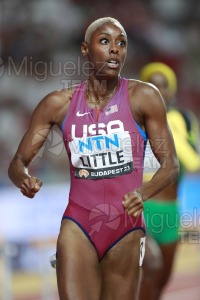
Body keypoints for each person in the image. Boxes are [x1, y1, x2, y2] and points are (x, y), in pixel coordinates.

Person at [8, 18, 179, 300]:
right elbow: (17, 162)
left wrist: (143, 192)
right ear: (85, 50)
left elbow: (170, 164)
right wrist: (23, 178)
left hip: (126, 227)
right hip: (78, 225)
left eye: (121, 43)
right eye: (105, 41)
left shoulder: (144, 97)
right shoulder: (58, 104)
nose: (114, 49)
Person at [138, 62, 200, 300]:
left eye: (164, 85)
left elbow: (193, 162)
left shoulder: (183, 119)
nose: (158, 90)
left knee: (159, 284)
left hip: (170, 212)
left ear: (172, 90)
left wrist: (172, 129)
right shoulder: (132, 119)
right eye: (152, 84)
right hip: (139, 209)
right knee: (148, 271)